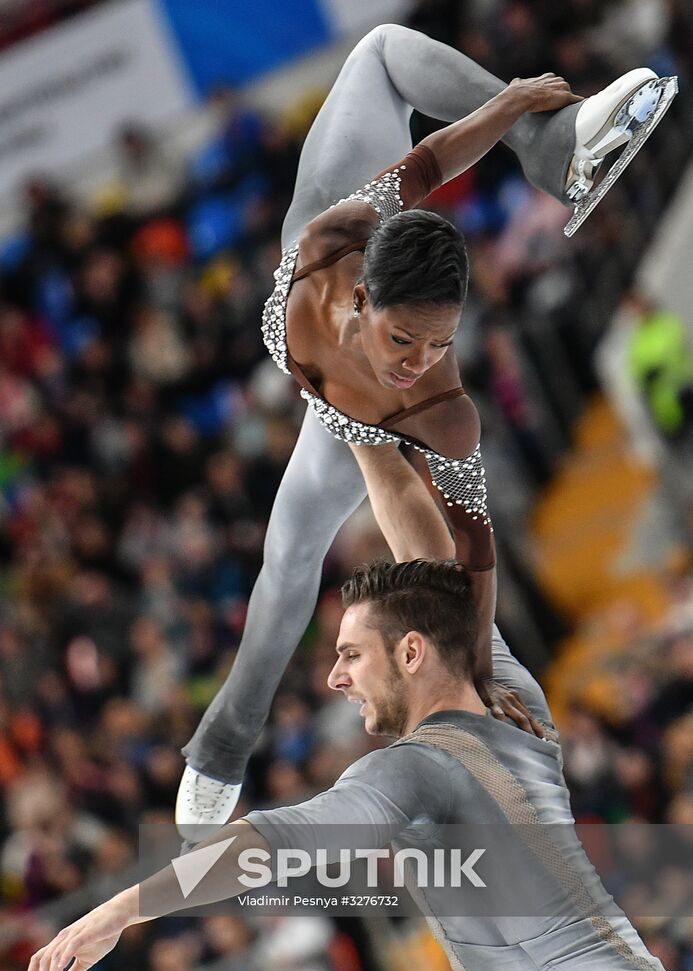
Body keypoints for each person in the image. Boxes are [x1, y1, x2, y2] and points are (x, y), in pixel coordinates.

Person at [176, 22, 676, 834]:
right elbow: (426, 163)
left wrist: (477, 670)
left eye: (440, 343)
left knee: (322, 541)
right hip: (318, 353)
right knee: (290, 561)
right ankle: (225, 742)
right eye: (406, 340)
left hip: (360, 401)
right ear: (368, 302)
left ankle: (553, 155)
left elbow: (471, 550)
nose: (419, 360)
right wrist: (513, 101)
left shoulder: (439, 405)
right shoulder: (329, 239)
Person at [26, 556, 691, 971]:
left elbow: (265, 848)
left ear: (409, 652)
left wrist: (116, 910)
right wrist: (357, 429)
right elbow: (430, 555)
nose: (334, 677)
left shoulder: (412, 770)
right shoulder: (517, 702)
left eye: (349, 654)